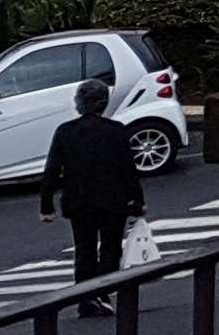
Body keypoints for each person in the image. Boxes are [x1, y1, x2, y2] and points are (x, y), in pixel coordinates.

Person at [39, 78, 146, 318]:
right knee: (110, 249)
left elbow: (52, 170)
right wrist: (137, 200)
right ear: (104, 103)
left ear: (79, 102)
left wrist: (46, 205)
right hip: (112, 200)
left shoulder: (65, 131)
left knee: (84, 249)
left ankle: (85, 298)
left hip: (78, 200)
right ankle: (102, 292)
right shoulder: (116, 130)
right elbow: (128, 169)